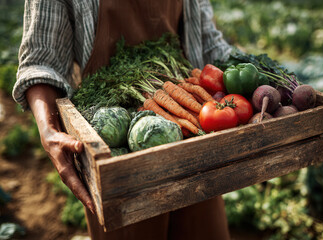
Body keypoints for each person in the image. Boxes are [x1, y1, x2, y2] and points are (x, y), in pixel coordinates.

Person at [13, 0, 233, 239]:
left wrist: (258, 80)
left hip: (196, 138)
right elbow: (41, 62)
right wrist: (48, 132)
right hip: (117, 148)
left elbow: (209, 42)